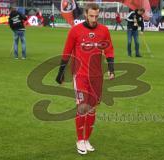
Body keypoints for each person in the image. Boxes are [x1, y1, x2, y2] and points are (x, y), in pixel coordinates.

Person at [55, 3, 115, 155]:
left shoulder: (104, 31)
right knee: (83, 108)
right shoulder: (75, 31)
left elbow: (109, 50)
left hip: (97, 77)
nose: (94, 19)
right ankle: (79, 140)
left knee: (92, 109)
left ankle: (87, 139)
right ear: (85, 14)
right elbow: (66, 52)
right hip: (80, 75)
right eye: (91, 16)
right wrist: (60, 73)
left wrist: (111, 69)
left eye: (96, 16)